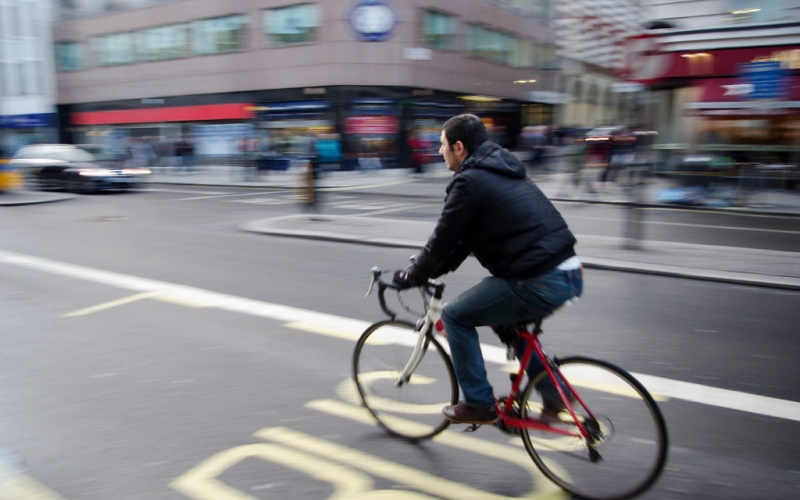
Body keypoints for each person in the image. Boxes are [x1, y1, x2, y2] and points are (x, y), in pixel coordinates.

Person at [392, 114, 583, 425]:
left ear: (458, 146)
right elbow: (462, 243)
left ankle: (479, 403)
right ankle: (555, 396)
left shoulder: (468, 182)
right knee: (510, 327)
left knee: (455, 316)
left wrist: (414, 276)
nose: (439, 152)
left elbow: (443, 239)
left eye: (442, 146)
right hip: (569, 270)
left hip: (538, 279)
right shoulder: (502, 168)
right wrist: (429, 270)